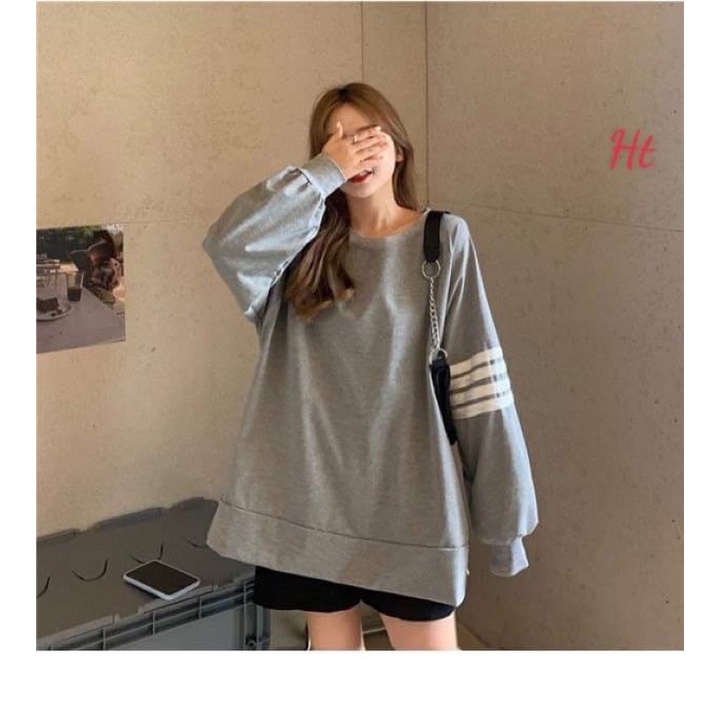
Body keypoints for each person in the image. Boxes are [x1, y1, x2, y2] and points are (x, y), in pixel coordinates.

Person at [202, 82, 539, 650]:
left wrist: (506, 524)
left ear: (398, 150)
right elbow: (228, 245)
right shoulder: (298, 248)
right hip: (307, 504)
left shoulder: (441, 241)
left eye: (366, 136)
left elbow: (479, 385)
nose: (351, 149)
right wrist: (322, 175)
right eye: (335, 140)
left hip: (410, 510)